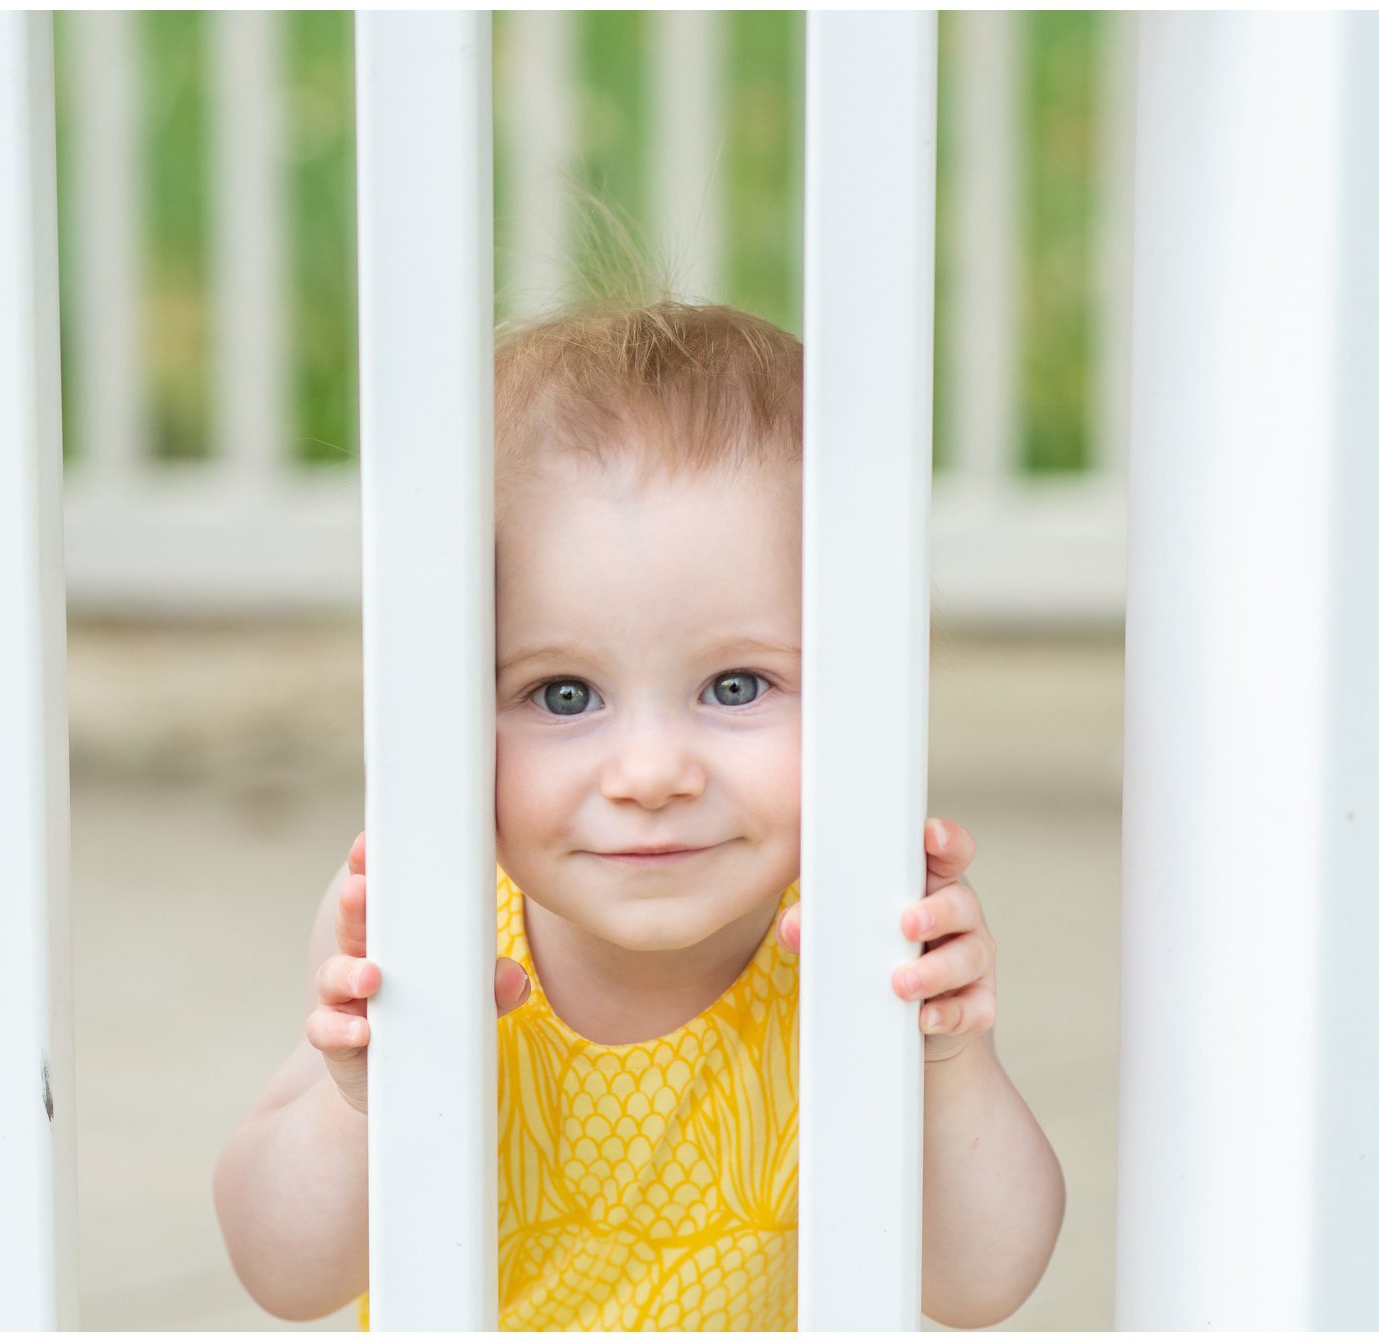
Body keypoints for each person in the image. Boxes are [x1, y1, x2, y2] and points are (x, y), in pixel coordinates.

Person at [212, 298, 1065, 1329]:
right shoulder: (424, 922)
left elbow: (978, 1286)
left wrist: (947, 1063)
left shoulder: (865, 936)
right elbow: (281, 1272)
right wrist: (360, 1104)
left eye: (736, 686)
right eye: (563, 694)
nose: (651, 771)